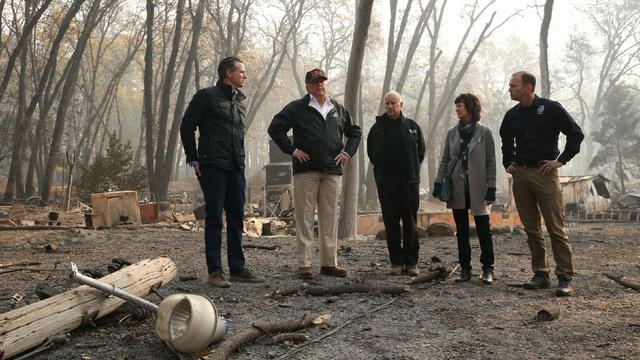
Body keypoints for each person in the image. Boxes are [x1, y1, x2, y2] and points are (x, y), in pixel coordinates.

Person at [268, 68, 361, 280]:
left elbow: (354, 132)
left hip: (331, 170)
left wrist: (347, 152)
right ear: (307, 86)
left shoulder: (336, 108)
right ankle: (304, 264)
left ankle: (329, 264)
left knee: (329, 219)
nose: (319, 84)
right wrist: (292, 150)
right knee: (305, 218)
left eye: (322, 81)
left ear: (325, 84)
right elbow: (275, 128)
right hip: (306, 170)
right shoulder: (298, 108)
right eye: (315, 82)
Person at [180, 56, 264, 287]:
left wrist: (242, 161)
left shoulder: (240, 102)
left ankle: (237, 268)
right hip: (212, 166)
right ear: (228, 73)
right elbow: (187, 126)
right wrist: (193, 159)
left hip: (236, 167)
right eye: (242, 72)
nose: (245, 76)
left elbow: (238, 135)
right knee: (215, 218)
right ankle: (215, 271)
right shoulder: (206, 96)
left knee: (237, 216)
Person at [500, 71, 584, 296]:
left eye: (513, 86)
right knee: (531, 229)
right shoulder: (512, 115)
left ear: (528, 87)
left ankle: (565, 276)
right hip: (521, 175)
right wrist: (508, 162)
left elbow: (576, 134)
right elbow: (506, 141)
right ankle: (541, 273)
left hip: (545, 173)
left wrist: (560, 161)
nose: (509, 89)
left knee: (555, 227)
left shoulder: (550, 108)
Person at [433, 93, 497, 284]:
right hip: (457, 187)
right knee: (461, 230)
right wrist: (438, 182)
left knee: (483, 230)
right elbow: (445, 158)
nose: (456, 109)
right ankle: (465, 269)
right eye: (456, 106)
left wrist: (492, 187)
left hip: (479, 188)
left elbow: (491, 162)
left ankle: (488, 269)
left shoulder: (484, 132)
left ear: (470, 107)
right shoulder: (452, 132)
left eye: (459, 105)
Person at [367, 91, 425, 276]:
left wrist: (411, 172)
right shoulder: (377, 129)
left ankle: (411, 263)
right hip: (386, 183)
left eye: (393, 103)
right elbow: (371, 153)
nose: (390, 107)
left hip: (408, 182)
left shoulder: (412, 127)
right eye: (387, 104)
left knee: (410, 223)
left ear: (401, 104)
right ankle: (396, 263)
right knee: (391, 224)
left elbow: (420, 153)